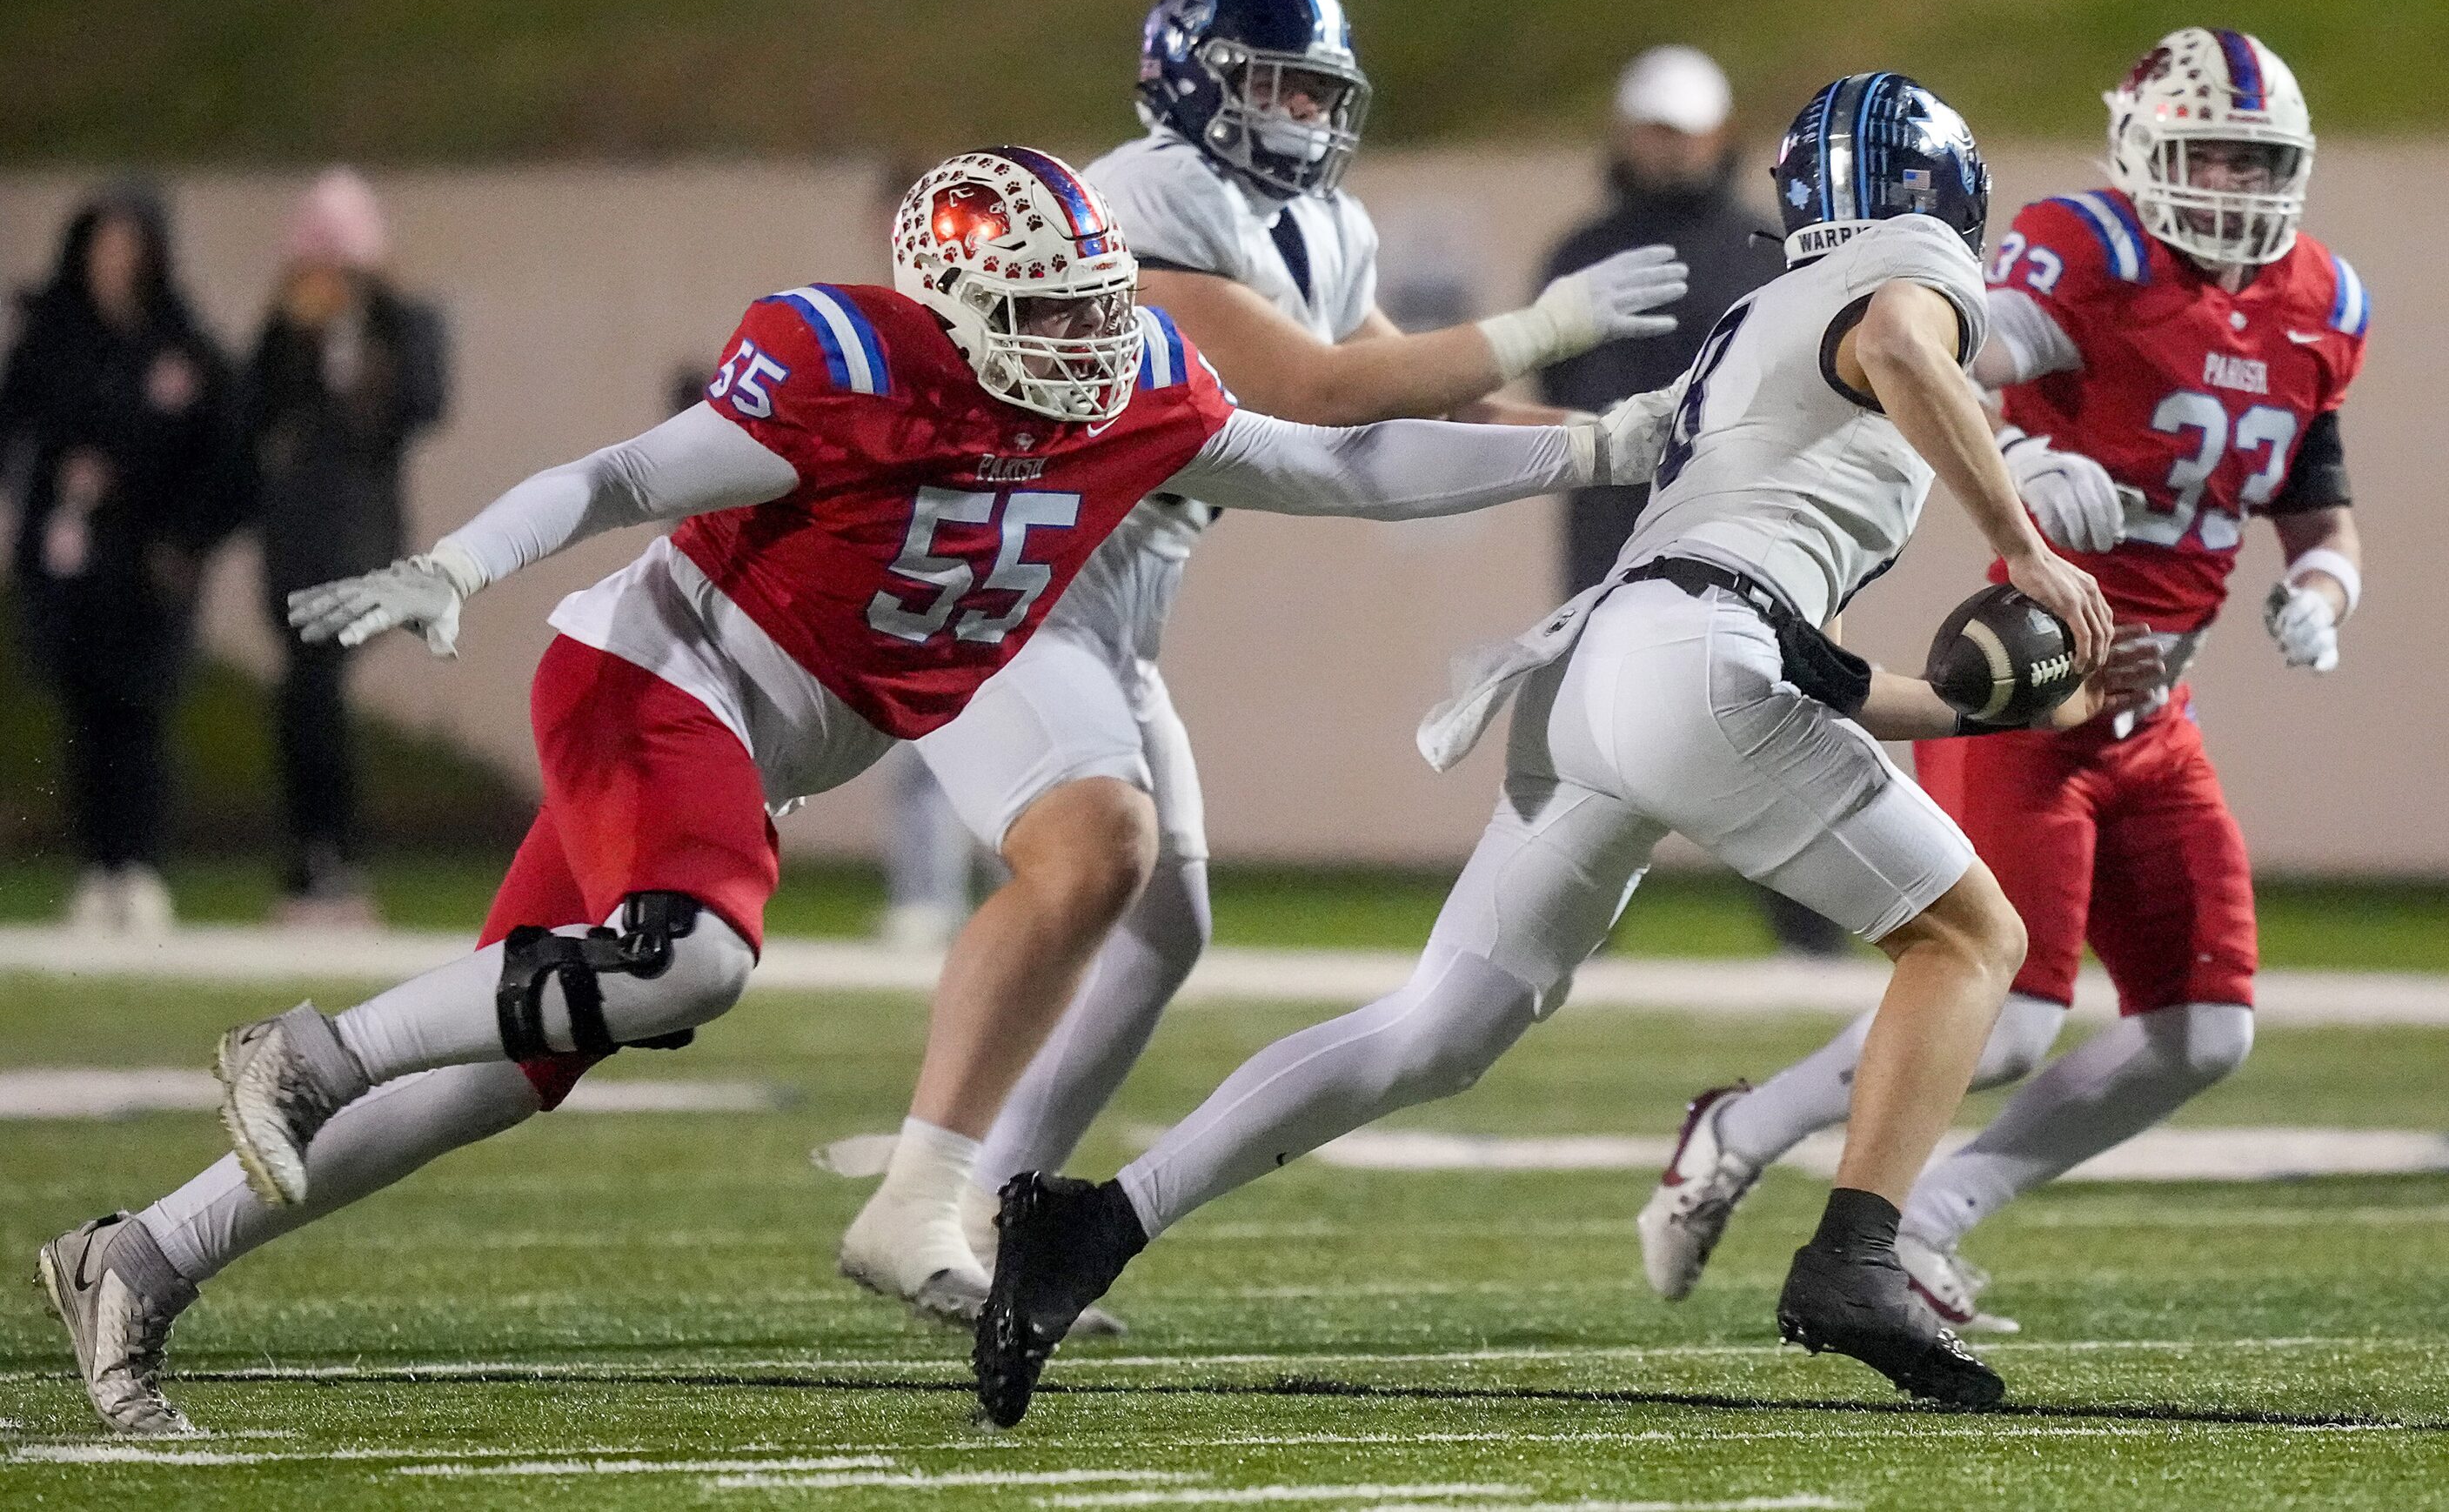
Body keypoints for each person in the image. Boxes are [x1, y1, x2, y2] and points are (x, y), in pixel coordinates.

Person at [35, 144, 1667, 1437]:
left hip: (762, 735)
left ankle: (142, 1255)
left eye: (1100, 304)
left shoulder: (1133, 384)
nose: (1090, 345)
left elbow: (1344, 469)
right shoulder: (848, 370)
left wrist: (1595, 451)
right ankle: (309, 1051)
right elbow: (620, 475)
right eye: (1046, 317)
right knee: (695, 959)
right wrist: (461, 558)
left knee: (509, 1069)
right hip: (665, 681)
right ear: (953, 313)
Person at [972, 73, 2129, 1428]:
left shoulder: (1755, 316)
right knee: (1971, 941)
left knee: (1436, 1029)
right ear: (1945, 194)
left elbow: (1784, 647)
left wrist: (1962, 704)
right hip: (1694, 658)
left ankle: (1093, 1224)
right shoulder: (1908, 273)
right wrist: (2020, 539)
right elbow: (1899, 346)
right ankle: (1854, 1259)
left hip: (1610, 667)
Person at [837, 0, 1690, 1324]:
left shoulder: (1321, 225)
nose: (1297, 109)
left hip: (1121, 590)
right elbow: (1312, 391)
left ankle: (997, 1211)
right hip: (1016, 559)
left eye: (1314, 87)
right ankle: (914, 1199)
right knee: (1093, 861)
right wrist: (1537, 334)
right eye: (1271, 80)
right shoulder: (1139, 196)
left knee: (1165, 924)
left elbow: (1423, 410)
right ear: (1192, 77)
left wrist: (1645, 446)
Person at [1636, 29, 2366, 1335]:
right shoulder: (2081, 251)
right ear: (2140, 151)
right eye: (2202, 153)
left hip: (2158, 712)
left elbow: (2316, 507)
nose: (2228, 184)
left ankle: (1930, 1214)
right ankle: (1742, 1132)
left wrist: (2322, 590)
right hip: (2034, 690)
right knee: (2014, 1016)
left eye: (2252, 161)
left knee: (2204, 1030)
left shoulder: (2317, 298)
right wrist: (2022, 469)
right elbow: (1932, 365)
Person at [1539, 43, 1848, 958]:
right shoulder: (1582, 252)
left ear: (1720, 134)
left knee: (1770, 717)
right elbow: (1555, 394)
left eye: (1684, 131)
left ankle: (1812, 935)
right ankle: (1575, 930)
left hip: (1747, 531)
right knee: (1598, 737)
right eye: (1653, 130)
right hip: (1608, 536)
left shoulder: (1767, 250)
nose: (1669, 149)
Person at [0, 184, 240, 933]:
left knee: (139, 713)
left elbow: (225, 456)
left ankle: (139, 864)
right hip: (72, 563)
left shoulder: (181, 345)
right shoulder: (52, 336)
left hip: (147, 564)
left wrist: (186, 540)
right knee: (84, 714)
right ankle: (96, 866)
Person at [244, 169, 450, 923]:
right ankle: (317, 855)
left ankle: (331, 853)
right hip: (295, 536)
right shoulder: (285, 330)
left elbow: (422, 403)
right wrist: (293, 333)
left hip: (360, 537)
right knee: (304, 693)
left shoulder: (402, 322)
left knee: (315, 689)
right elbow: (255, 411)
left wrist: (376, 326)